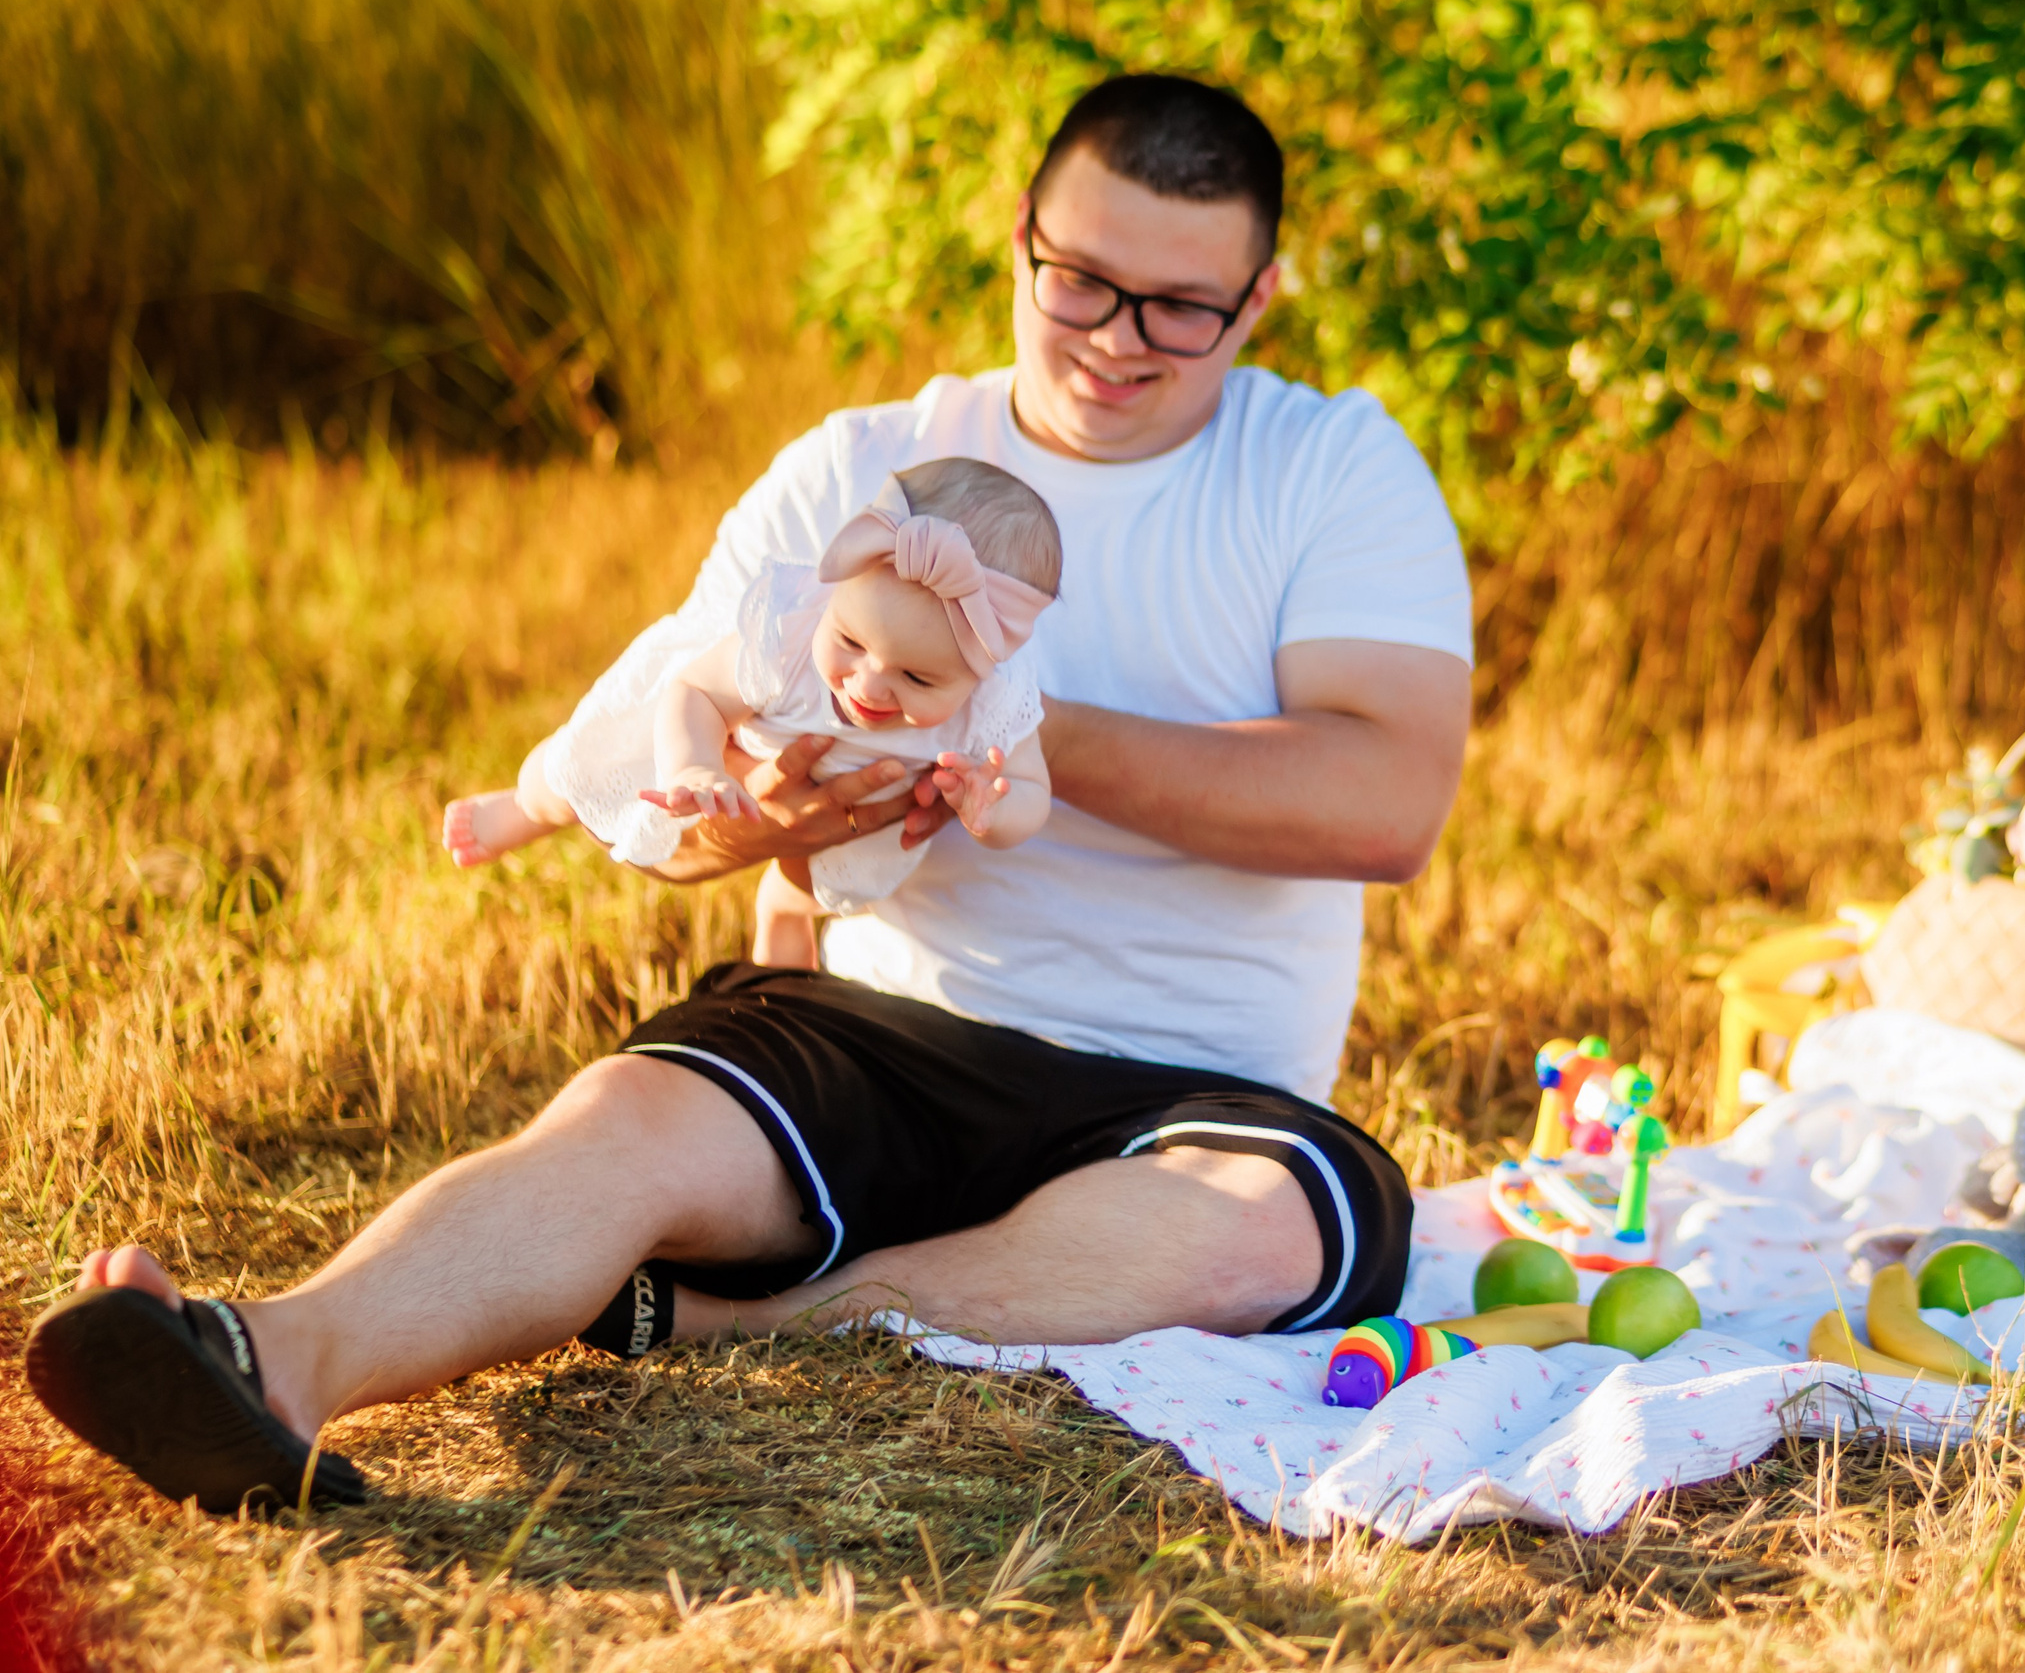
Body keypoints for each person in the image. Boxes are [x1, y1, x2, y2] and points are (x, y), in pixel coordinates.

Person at [26, 73, 1474, 1514]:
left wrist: (1001, 728)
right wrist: (757, 817)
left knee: (1255, 1237)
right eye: (1082, 282)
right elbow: (663, 810)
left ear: (1261, 295)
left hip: (1197, 1097)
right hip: (873, 1041)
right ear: (1019, 234)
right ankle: (262, 1353)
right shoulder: (857, 470)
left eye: (1180, 307)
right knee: (617, 1126)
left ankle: (753, 1313)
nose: (1115, 339)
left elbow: (1385, 801)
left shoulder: (1332, 467)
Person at [443, 459, 1062, 968]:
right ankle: (522, 809)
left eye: (918, 677)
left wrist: (994, 808)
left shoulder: (992, 705)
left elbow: (1031, 789)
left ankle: (781, 911)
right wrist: (693, 767)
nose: (868, 683)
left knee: (819, 881)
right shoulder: (790, 639)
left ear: (987, 664)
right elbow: (695, 693)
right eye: (849, 641)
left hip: (855, 814)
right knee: (574, 775)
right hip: (714, 738)